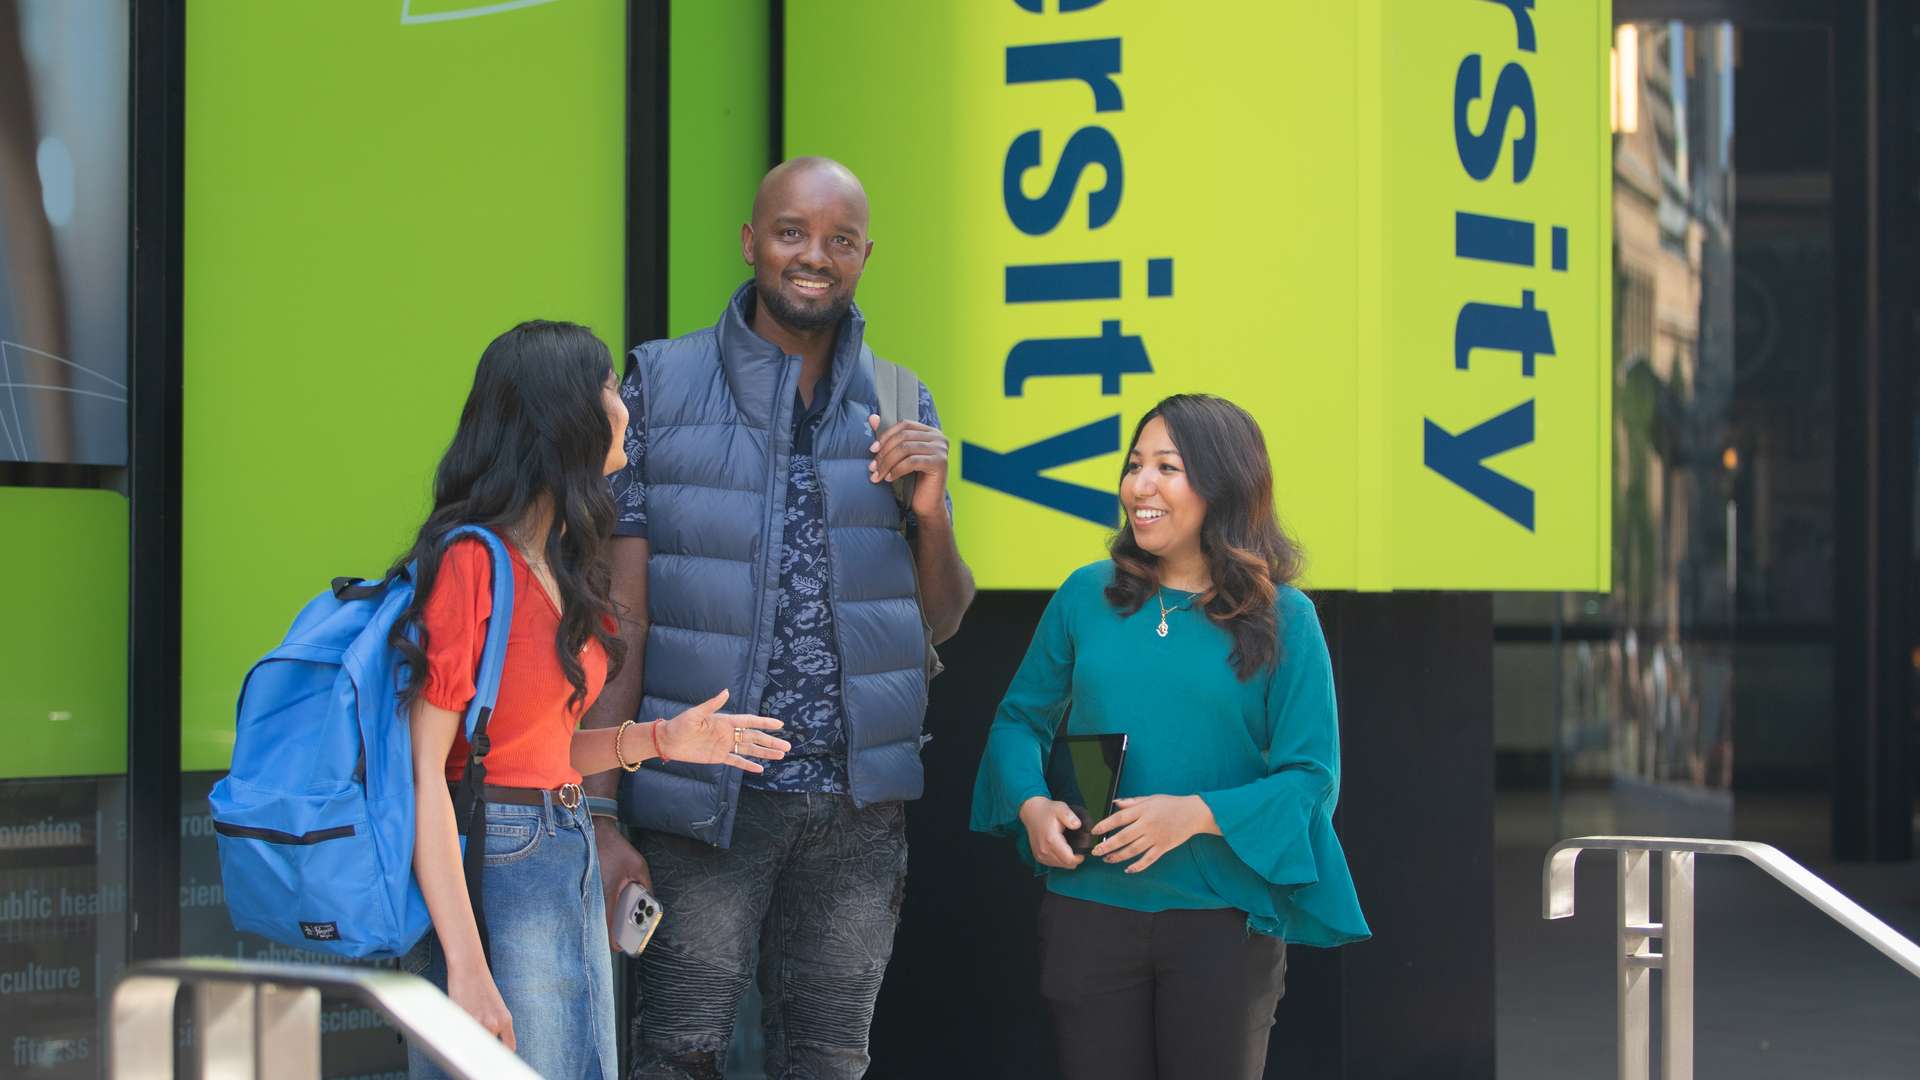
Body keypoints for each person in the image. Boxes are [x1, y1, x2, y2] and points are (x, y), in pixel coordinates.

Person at [580, 156, 976, 1079]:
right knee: (679, 1052)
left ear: (865, 256)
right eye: (793, 232)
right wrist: (601, 811)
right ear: (752, 241)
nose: (815, 256)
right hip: (706, 800)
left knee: (831, 1061)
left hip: (856, 808)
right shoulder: (659, 386)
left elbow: (946, 618)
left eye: (840, 240)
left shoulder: (901, 399)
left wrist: (931, 511)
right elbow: (621, 616)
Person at [397, 320, 791, 1080]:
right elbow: (430, 779)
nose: (625, 407)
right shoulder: (471, 561)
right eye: (610, 386)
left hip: (561, 836)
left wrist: (660, 741)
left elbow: (532, 747)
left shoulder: (560, 563)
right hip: (502, 852)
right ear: (563, 412)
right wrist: (467, 968)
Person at [970, 394, 1370, 1080]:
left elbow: (1311, 779)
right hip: (1088, 911)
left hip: (1221, 921)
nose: (1139, 486)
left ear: (1223, 484)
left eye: (1167, 467)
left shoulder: (1287, 619)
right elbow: (1019, 721)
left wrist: (1194, 815)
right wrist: (1032, 803)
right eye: (1133, 465)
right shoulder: (1083, 595)